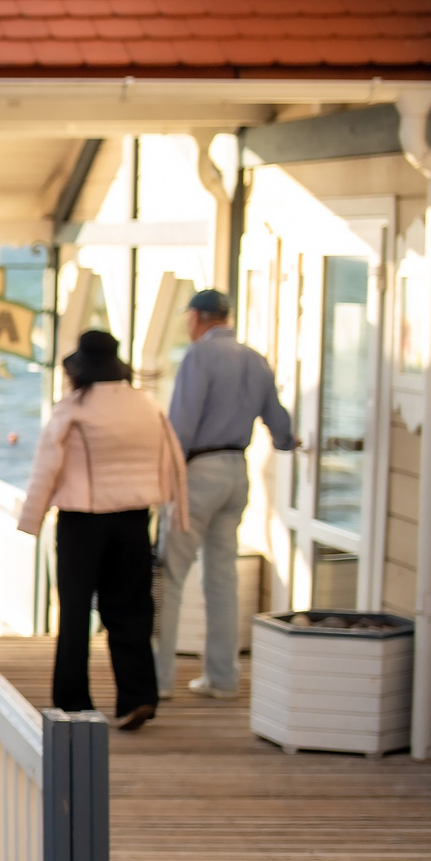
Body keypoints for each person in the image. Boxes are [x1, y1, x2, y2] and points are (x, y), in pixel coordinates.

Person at [16, 328, 190, 730]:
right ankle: (137, 697)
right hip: (134, 518)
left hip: (82, 520)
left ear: (79, 369)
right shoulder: (146, 405)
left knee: (75, 612)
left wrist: (31, 518)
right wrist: (177, 509)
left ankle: (75, 703)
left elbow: (47, 466)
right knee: (132, 609)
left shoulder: (75, 407)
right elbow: (173, 460)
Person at [155, 288, 297, 700]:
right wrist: (289, 442)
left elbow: (181, 425)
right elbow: (279, 424)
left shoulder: (199, 356)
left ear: (198, 317)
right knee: (222, 576)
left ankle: (160, 680)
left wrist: (166, 480)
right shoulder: (255, 358)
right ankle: (222, 677)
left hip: (198, 470)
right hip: (237, 469)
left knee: (170, 576)